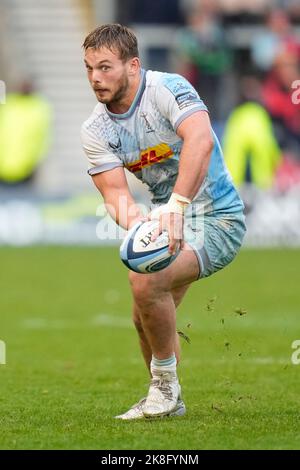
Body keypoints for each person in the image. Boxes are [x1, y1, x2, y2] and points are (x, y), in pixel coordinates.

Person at [81, 24, 246, 420]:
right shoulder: (95, 129)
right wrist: (143, 225)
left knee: (145, 281)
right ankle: (167, 399)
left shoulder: (167, 89)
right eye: (89, 69)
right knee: (143, 314)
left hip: (217, 216)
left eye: (105, 67)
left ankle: (165, 392)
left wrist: (175, 206)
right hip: (166, 215)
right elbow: (115, 196)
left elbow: (201, 140)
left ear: (133, 65)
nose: (95, 78)